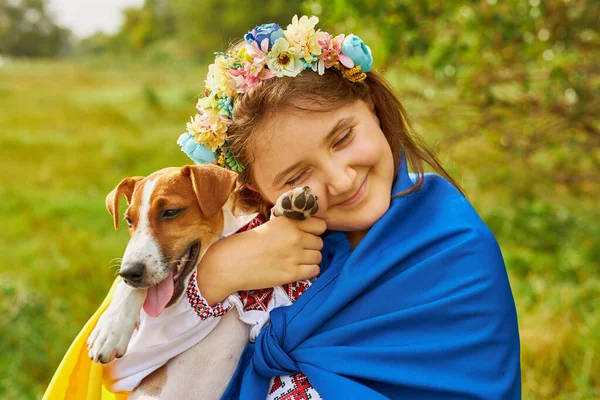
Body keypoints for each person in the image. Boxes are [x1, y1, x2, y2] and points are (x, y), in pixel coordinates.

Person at [175, 14, 521, 400]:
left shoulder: (454, 245)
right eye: (295, 178)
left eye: (342, 138)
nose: (341, 180)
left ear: (371, 108)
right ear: (259, 194)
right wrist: (215, 274)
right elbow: (134, 366)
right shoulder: (242, 249)